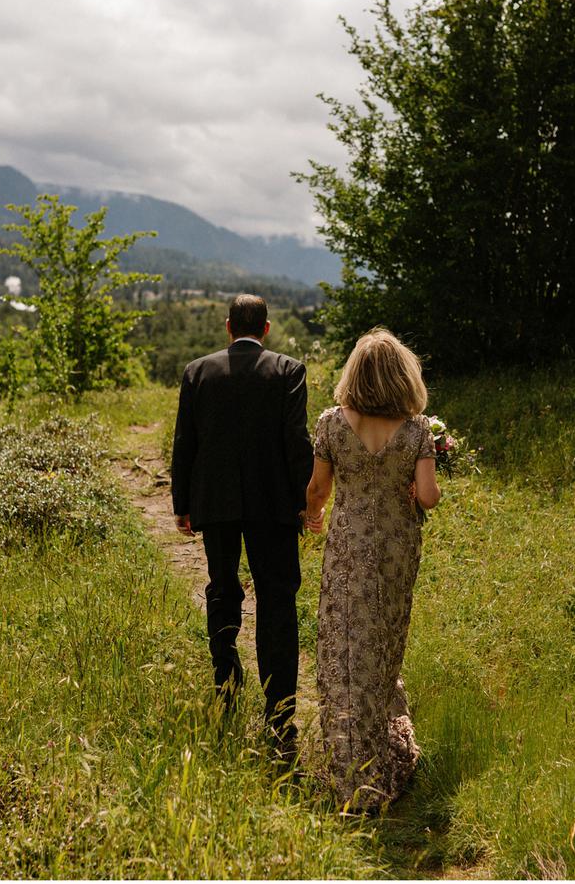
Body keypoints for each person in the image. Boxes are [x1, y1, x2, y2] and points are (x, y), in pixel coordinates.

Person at [171, 294, 314, 759]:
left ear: (228, 327)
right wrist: (304, 502)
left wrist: (182, 504)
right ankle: (280, 713)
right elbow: (296, 442)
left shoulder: (198, 372)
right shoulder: (289, 371)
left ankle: (227, 686)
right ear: (266, 328)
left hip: (216, 503)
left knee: (222, 588)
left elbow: (185, 442)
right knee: (277, 601)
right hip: (273, 505)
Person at [304, 327, 440, 811]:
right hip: (398, 548)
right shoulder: (417, 429)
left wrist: (314, 514)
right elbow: (427, 497)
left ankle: (350, 762)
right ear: (403, 375)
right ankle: (383, 749)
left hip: (349, 547)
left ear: (355, 373)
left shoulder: (331, 425)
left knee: (345, 642)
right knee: (384, 642)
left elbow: (318, 489)